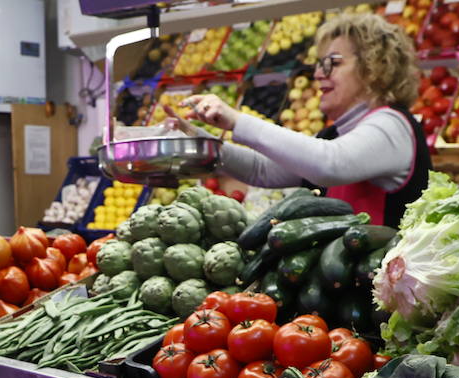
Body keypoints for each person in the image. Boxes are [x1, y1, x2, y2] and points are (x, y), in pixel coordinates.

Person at [173, 12, 430, 227]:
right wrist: (199, 143)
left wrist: (237, 121)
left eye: (332, 63)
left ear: (376, 68)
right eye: (319, 64)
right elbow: (261, 169)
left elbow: (331, 163)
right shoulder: (335, 136)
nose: (318, 74)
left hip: (386, 284)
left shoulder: (392, 125)